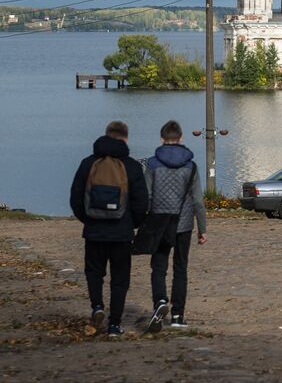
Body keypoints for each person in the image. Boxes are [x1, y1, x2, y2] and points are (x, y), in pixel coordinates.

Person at [70, 120, 149, 337]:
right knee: (120, 279)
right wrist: (132, 223)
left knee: (94, 272)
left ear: (105, 135)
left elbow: (76, 198)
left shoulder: (88, 163)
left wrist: (88, 220)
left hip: (94, 231)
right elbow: (142, 202)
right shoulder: (132, 166)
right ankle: (114, 324)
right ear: (126, 138)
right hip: (121, 233)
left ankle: (97, 306)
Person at [143, 119, 207, 332]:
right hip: (184, 223)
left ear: (162, 139)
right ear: (181, 139)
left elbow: (147, 196)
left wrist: (145, 220)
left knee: (159, 267)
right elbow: (198, 200)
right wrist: (202, 229)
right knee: (180, 268)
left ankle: (160, 302)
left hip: (160, 222)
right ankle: (178, 315)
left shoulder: (152, 164)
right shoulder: (192, 166)